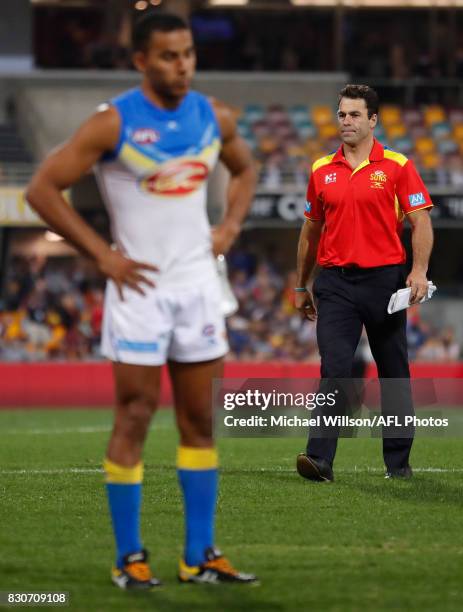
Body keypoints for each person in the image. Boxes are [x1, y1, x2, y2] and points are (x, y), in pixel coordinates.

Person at [26, 12, 257, 588]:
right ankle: (130, 558)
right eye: (167, 56)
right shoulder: (113, 122)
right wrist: (101, 256)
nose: (181, 65)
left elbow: (246, 168)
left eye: (187, 54)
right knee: (132, 417)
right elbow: (41, 189)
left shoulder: (214, 116)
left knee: (200, 420)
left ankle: (199, 555)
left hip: (199, 289)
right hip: (140, 292)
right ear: (140, 61)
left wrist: (230, 224)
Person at [294, 84, 433, 482]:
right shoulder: (321, 169)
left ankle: (398, 464)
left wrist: (418, 270)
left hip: (385, 282)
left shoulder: (397, 165)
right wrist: (302, 285)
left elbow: (420, 220)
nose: (346, 122)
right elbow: (310, 230)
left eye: (355, 115)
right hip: (334, 283)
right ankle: (319, 460)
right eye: (341, 114)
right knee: (335, 368)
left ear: (373, 120)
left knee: (393, 371)